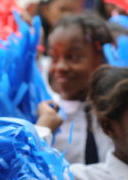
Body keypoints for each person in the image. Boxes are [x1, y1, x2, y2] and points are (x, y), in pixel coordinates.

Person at [37, 13, 115, 164]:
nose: (60, 67)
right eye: (54, 58)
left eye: (73, 57)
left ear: (102, 57)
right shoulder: (44, 117)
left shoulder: (117, 116)